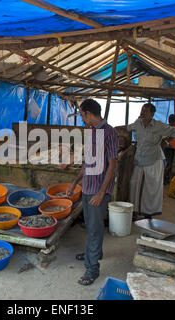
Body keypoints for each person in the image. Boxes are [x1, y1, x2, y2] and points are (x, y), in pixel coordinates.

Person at [66, 99, 119, 286]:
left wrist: (101, 193)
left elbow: (112, 165)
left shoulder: (109, 133)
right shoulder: (92, 132)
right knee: (90, 225)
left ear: (89, 113)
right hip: (88, 187)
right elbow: (86, 163)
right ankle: (93, 253)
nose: (81, 118)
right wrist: (74, 183)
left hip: (98, 190)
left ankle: (92, 268)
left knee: (95, 229)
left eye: (81, 114)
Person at [116, 103, 175, 219]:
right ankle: (134, 211)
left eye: (145, 111)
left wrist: (165, 142)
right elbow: (128, 127)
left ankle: (148, 213)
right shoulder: (138, 123)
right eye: (142, 110)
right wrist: (114, 128)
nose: (142, 113)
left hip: (153, 159)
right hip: (139, 158)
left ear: (152, 113)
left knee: (150, 186)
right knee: (134, 183)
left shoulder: (158, 126)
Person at [162, 114, 175, 184]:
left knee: (169, 164)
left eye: (174, 122)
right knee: (166, 163)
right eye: (172, 122)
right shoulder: (168, 127)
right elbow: (165, 138)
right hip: (167, 147)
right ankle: (164, 177)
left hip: (171, 148)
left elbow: (174, 137)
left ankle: (165, 178)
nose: (173, 123)